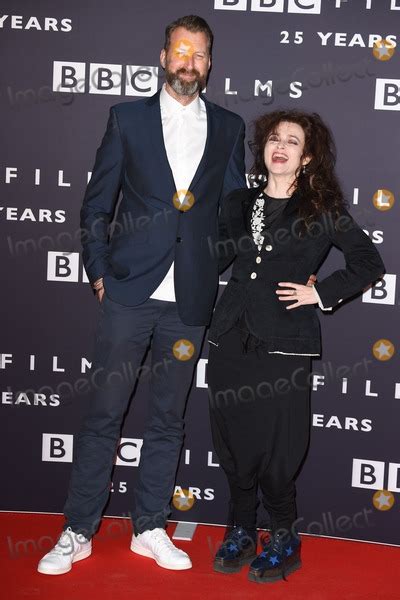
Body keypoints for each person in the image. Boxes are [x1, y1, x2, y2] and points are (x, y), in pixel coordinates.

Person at [38, 15, 246, 575]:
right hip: (129, 292)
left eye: (200, 55)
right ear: (163, 57)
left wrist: (209, 261)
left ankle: (149, 525)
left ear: (209, 64)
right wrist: (101, 271)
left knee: (168, 420)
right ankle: (78, 529)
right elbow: (96, 204)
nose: (189, 62)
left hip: (189, 303)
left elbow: (234, 209)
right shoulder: (126, 119)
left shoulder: (229, 126)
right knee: (104, 413)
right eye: (181, 51)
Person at [206, 110, 385, 584]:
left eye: (291, 141)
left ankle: (283, 536)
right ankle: (241, 529)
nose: (279, 146)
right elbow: (218, 257)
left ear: (305, 158)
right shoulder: (236, 202)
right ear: (263, 150)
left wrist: (320, 293)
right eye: (272, 139)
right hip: (229, 339)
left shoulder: (320, 208)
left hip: (285, 342)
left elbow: (370, 262)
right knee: (234, 443)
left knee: (280, 448)